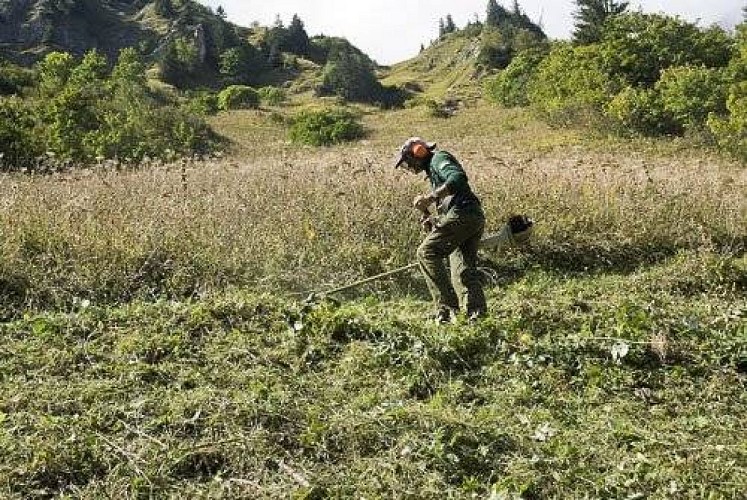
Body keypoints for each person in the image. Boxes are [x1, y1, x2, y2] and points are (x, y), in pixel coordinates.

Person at [394, 137, 487, 324]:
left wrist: (429, 198)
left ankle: (446, 309)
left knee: (426, 252)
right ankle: (476, 317)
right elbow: (448, 200)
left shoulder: (438, 159)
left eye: (408, 161)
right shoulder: (432, 172)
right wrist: (432, 220)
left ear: (418, 152)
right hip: (470, 216)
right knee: (462, 270)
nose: (410, 166)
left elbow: (458, 178)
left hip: (463, 213)